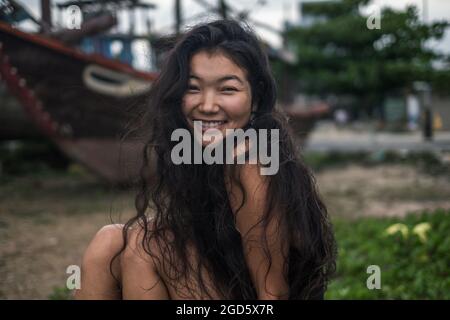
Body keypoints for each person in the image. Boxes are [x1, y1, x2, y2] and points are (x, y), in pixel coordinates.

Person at [75, 19, 336, 300]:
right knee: (110, 240)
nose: (208, 106)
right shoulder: (201, 152)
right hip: (223, 285)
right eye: (193, 88)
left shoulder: (251, 162)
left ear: (256, 99)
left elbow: (274, 293)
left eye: (227, 89)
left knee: (146, 244)